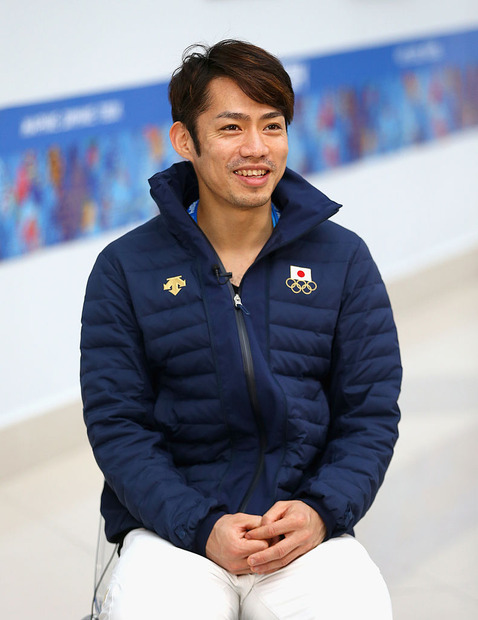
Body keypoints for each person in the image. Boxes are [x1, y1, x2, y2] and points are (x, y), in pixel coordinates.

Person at [80, 40, 402, 619]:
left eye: (272, 126)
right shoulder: (126, 268)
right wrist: (201, 526)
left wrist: (321, 511)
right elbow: (118, 426)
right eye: (231, 127)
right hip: (176, 530)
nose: (256, 149)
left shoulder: (343, 260)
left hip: (303, 529)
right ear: (186, 141)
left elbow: (369, 413)